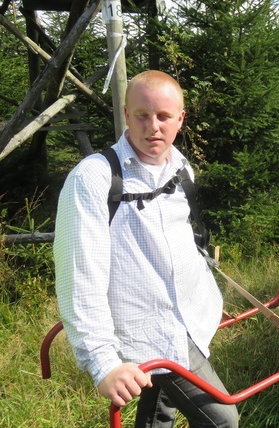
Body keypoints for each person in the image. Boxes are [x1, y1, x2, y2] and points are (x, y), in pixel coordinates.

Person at [54, 70, 239, 427]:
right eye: (142, 115)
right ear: (126, 114)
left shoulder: (181, 167)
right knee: (223, 420)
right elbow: (79, 278)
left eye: (164, 116)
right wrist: (103, 363)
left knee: (158, 411)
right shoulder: (92, 179)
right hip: (146, 329)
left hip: (191, 314)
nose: (153, 126)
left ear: (180, 119)